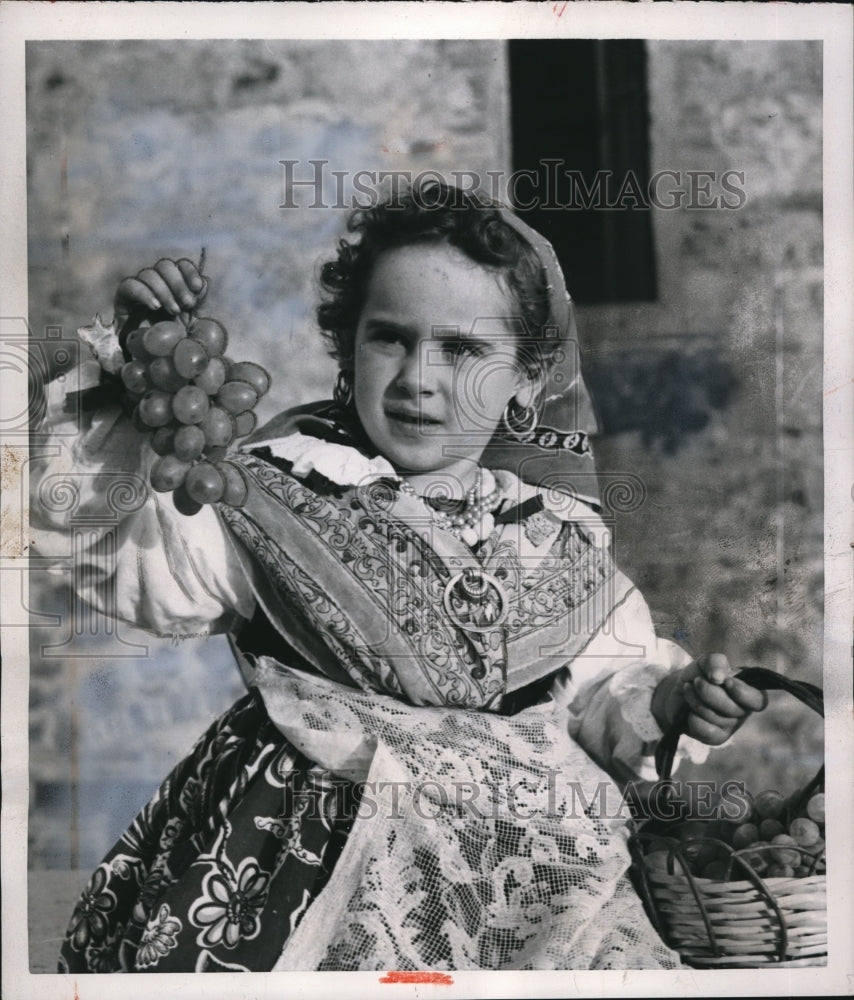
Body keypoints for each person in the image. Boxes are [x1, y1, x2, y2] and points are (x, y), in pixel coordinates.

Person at [34, 181, 767, 973]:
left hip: (516, 887)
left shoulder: (555, 537)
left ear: (525, 379)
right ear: (349, 348)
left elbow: (599, 697)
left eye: (463, 349)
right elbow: (123, 560)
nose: (420, 376)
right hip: (297, 864)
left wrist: (672, 704)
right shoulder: (274, 493)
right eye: (390, 337)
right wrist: (130, 390)